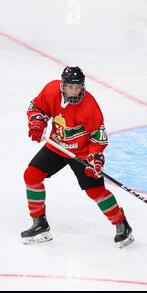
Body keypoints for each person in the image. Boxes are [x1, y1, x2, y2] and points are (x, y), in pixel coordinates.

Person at [22, 66, 134, 248]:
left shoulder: (89, 106)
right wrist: (37, 120)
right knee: (31, 176)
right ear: (62, 85)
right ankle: (40, 224)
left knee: (95, 191)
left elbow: (98, 137)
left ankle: (122, 224)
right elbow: (36, 107)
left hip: (82, 153)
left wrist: (95, 159)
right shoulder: (51, 90)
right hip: (57, 146)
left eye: (78, 86)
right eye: (70, 87)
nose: (74, 91)